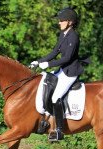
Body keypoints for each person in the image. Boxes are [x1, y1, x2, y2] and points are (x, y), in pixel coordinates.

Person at [30, 7, 83, 141]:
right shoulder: (63, 34)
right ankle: (46, 120)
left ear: (70, 22)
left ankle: (59, 130)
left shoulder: (73, 37)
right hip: (62, 70)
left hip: (70, 72)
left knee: (56, 97)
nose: (59, 22)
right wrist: (38, 61)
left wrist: (48, 65)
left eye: (61, 20)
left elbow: (67, 58)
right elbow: (54, 53)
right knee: (46, 85)